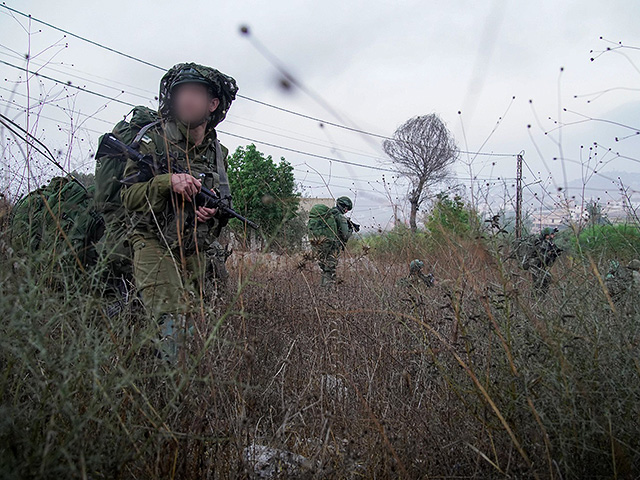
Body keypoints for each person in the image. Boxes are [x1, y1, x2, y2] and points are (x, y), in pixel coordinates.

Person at [118, 63, 238, 363]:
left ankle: (152, 368)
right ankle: (165, 390)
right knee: (172, 320)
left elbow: (222, 199)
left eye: (195, 93)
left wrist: (210, 212)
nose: (186, 99)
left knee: (192, 320)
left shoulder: (217, 152)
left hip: (192, 247)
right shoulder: (153, 139)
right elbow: (128, 197)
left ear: (213, 104)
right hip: (151, 240)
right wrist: (166, 182)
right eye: (181, 93)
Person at [307, 196, 355, 287]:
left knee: (325, 270)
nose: (346, 211)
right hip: (332, 248)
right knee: (330, 271)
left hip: (321, 247)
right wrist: (351, 229)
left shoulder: (327, 214)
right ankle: (328, 293)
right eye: (347, 209)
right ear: (344, 208)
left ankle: (323, 292)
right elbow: (345, 235)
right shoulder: (339, 217)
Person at [530, 227, 562, 294]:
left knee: (545, 285)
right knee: (538, 286)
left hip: (543, 268)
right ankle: (535, 301)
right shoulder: (540, 244)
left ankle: (541, 299)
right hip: (537, 267)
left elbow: (549, 262)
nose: (553, 236)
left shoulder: (550, 244)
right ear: (546, 235)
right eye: (551, 234)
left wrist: (554, 254)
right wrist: (549, 253)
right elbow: (542, 258)